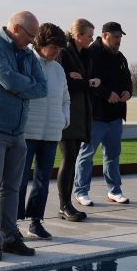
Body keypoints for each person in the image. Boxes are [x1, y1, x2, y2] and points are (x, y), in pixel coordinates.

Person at [0, 11, 47, 261]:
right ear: (15, 28)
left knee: (13, 187)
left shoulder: (27, 54)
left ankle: (10, 237)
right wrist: (22, 86)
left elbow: (42, 88)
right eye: (30, 36)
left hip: (17, 130)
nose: (33, 42)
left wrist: (18, 86)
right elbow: (7, 80)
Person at [18, 23, 70, 240]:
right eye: (54, 47)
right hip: (27, 132)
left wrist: (63, 120)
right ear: (40, 43)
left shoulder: (59, 70)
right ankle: (12, 222)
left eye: (60, 48)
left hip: (51, 134)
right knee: (19, 179)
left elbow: (65, 99)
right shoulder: (26, 62)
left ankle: (36, 221)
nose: (57, 52)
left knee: (42, 179)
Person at [73, 21, 132, 206]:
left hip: (115, 116)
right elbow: (88, 82)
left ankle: (114, 190)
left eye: (120, 37)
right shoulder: (91, 54)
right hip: (95, 115)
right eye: (115, 37)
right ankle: (81, 191)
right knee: (86, 154)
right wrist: (107, 94)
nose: (118, 40)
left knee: (113, 155)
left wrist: (128, 92)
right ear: (105, 35)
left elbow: (128, 80)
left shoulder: (120, 57)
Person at [57, 18, 98, 222]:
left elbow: (85, 82)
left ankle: (67, 204)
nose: (92, 39)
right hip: (67, 115)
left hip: (81, 114)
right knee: (68, 159)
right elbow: (63, 83)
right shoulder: (64, 53)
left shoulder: (86, 55)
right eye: (89, 35)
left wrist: (83, 82)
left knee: (72, 160)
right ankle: (64, 205)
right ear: (78, 35)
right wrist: (87, 83)